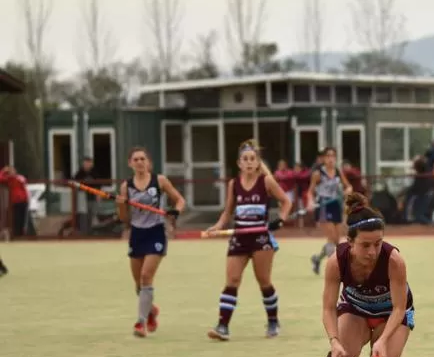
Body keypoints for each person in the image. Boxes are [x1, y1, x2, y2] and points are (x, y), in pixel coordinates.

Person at [300, 192, 416, 357]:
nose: (373, 252)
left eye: (378, 243)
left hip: (393, 316)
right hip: (356, 310)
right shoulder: (336, 262)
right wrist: (333, 340)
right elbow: (329, 308)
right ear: (349, 242)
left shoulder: (394, 261)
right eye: (365, 245)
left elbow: (399, 308)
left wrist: (383, 339)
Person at [204, 139, 292, 340]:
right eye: (245, 159)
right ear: (239, 163)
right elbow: (227, 212)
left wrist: (280, 220)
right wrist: (217, 227)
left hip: (261, 238)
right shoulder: (234, 184)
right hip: (240, 237)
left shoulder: (266, 181)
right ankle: (222, 326)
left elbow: (286, 202)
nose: (249, 162)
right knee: (232, 280)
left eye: (253, 159)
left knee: (264, 281)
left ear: (257, 161)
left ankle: (272, 321)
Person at [117, 148, 185, 337]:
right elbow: (124, 218)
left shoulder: (160, 181)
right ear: (130, 163)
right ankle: (151, 310)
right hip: (137, 234)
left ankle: (140, 323)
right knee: (139, 286)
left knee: (147, 277)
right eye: (136, 159)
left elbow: (179, 200)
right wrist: (121, 204)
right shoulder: (126, 186)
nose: (139, 162)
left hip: (156, 232)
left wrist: (175, 212)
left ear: (148, 162)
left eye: (143, 159)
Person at [308, 147, 353, 274]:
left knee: (336, 241)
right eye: (328, 156)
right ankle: (336, 270)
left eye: (333, 156)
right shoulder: (318, 174)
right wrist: (310, 201)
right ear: (323, 158)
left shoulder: (338, 171)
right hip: (323, 206)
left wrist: (348, 190)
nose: (331, 158)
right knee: (332, 238)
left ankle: (317, 259)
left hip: (336, 206)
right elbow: (310, 192)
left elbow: (348, 185)